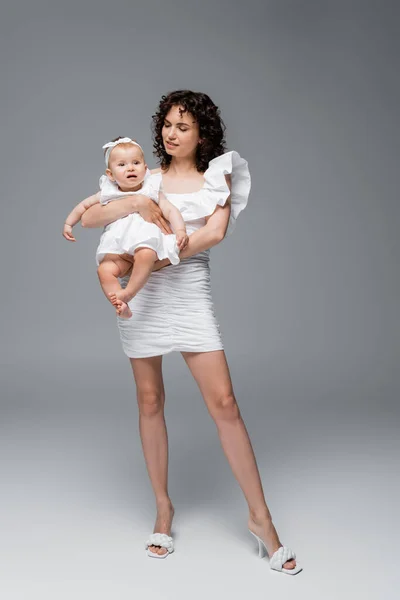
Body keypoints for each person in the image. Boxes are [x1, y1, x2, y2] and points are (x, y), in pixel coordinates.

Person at [80, 90, 302, 574]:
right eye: (166, 124)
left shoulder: (216, 177)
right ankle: (163, 508)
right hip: (142, 299)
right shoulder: (145, 175)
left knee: (224, 403)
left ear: (203, 133)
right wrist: (135, 201)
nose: (171, 133)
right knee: (149, 400)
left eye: (183, 126)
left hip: (185, 292)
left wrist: (155, 259)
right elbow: (94, 214)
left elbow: (213, 234)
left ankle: (261, 518)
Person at [62, 137, 189, 319]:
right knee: (104, 270)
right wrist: (68, 223)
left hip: (143, 242)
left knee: (146, 254)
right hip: (117, 247)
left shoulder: (151, 188)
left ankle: (129, 292)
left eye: (136, 163)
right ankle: (121, 304)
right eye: (121, 165)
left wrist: (181, 230)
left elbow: (170, 210)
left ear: (145, 169)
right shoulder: (108, 192)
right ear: (110, 174)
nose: (130, 168)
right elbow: (84, 207)